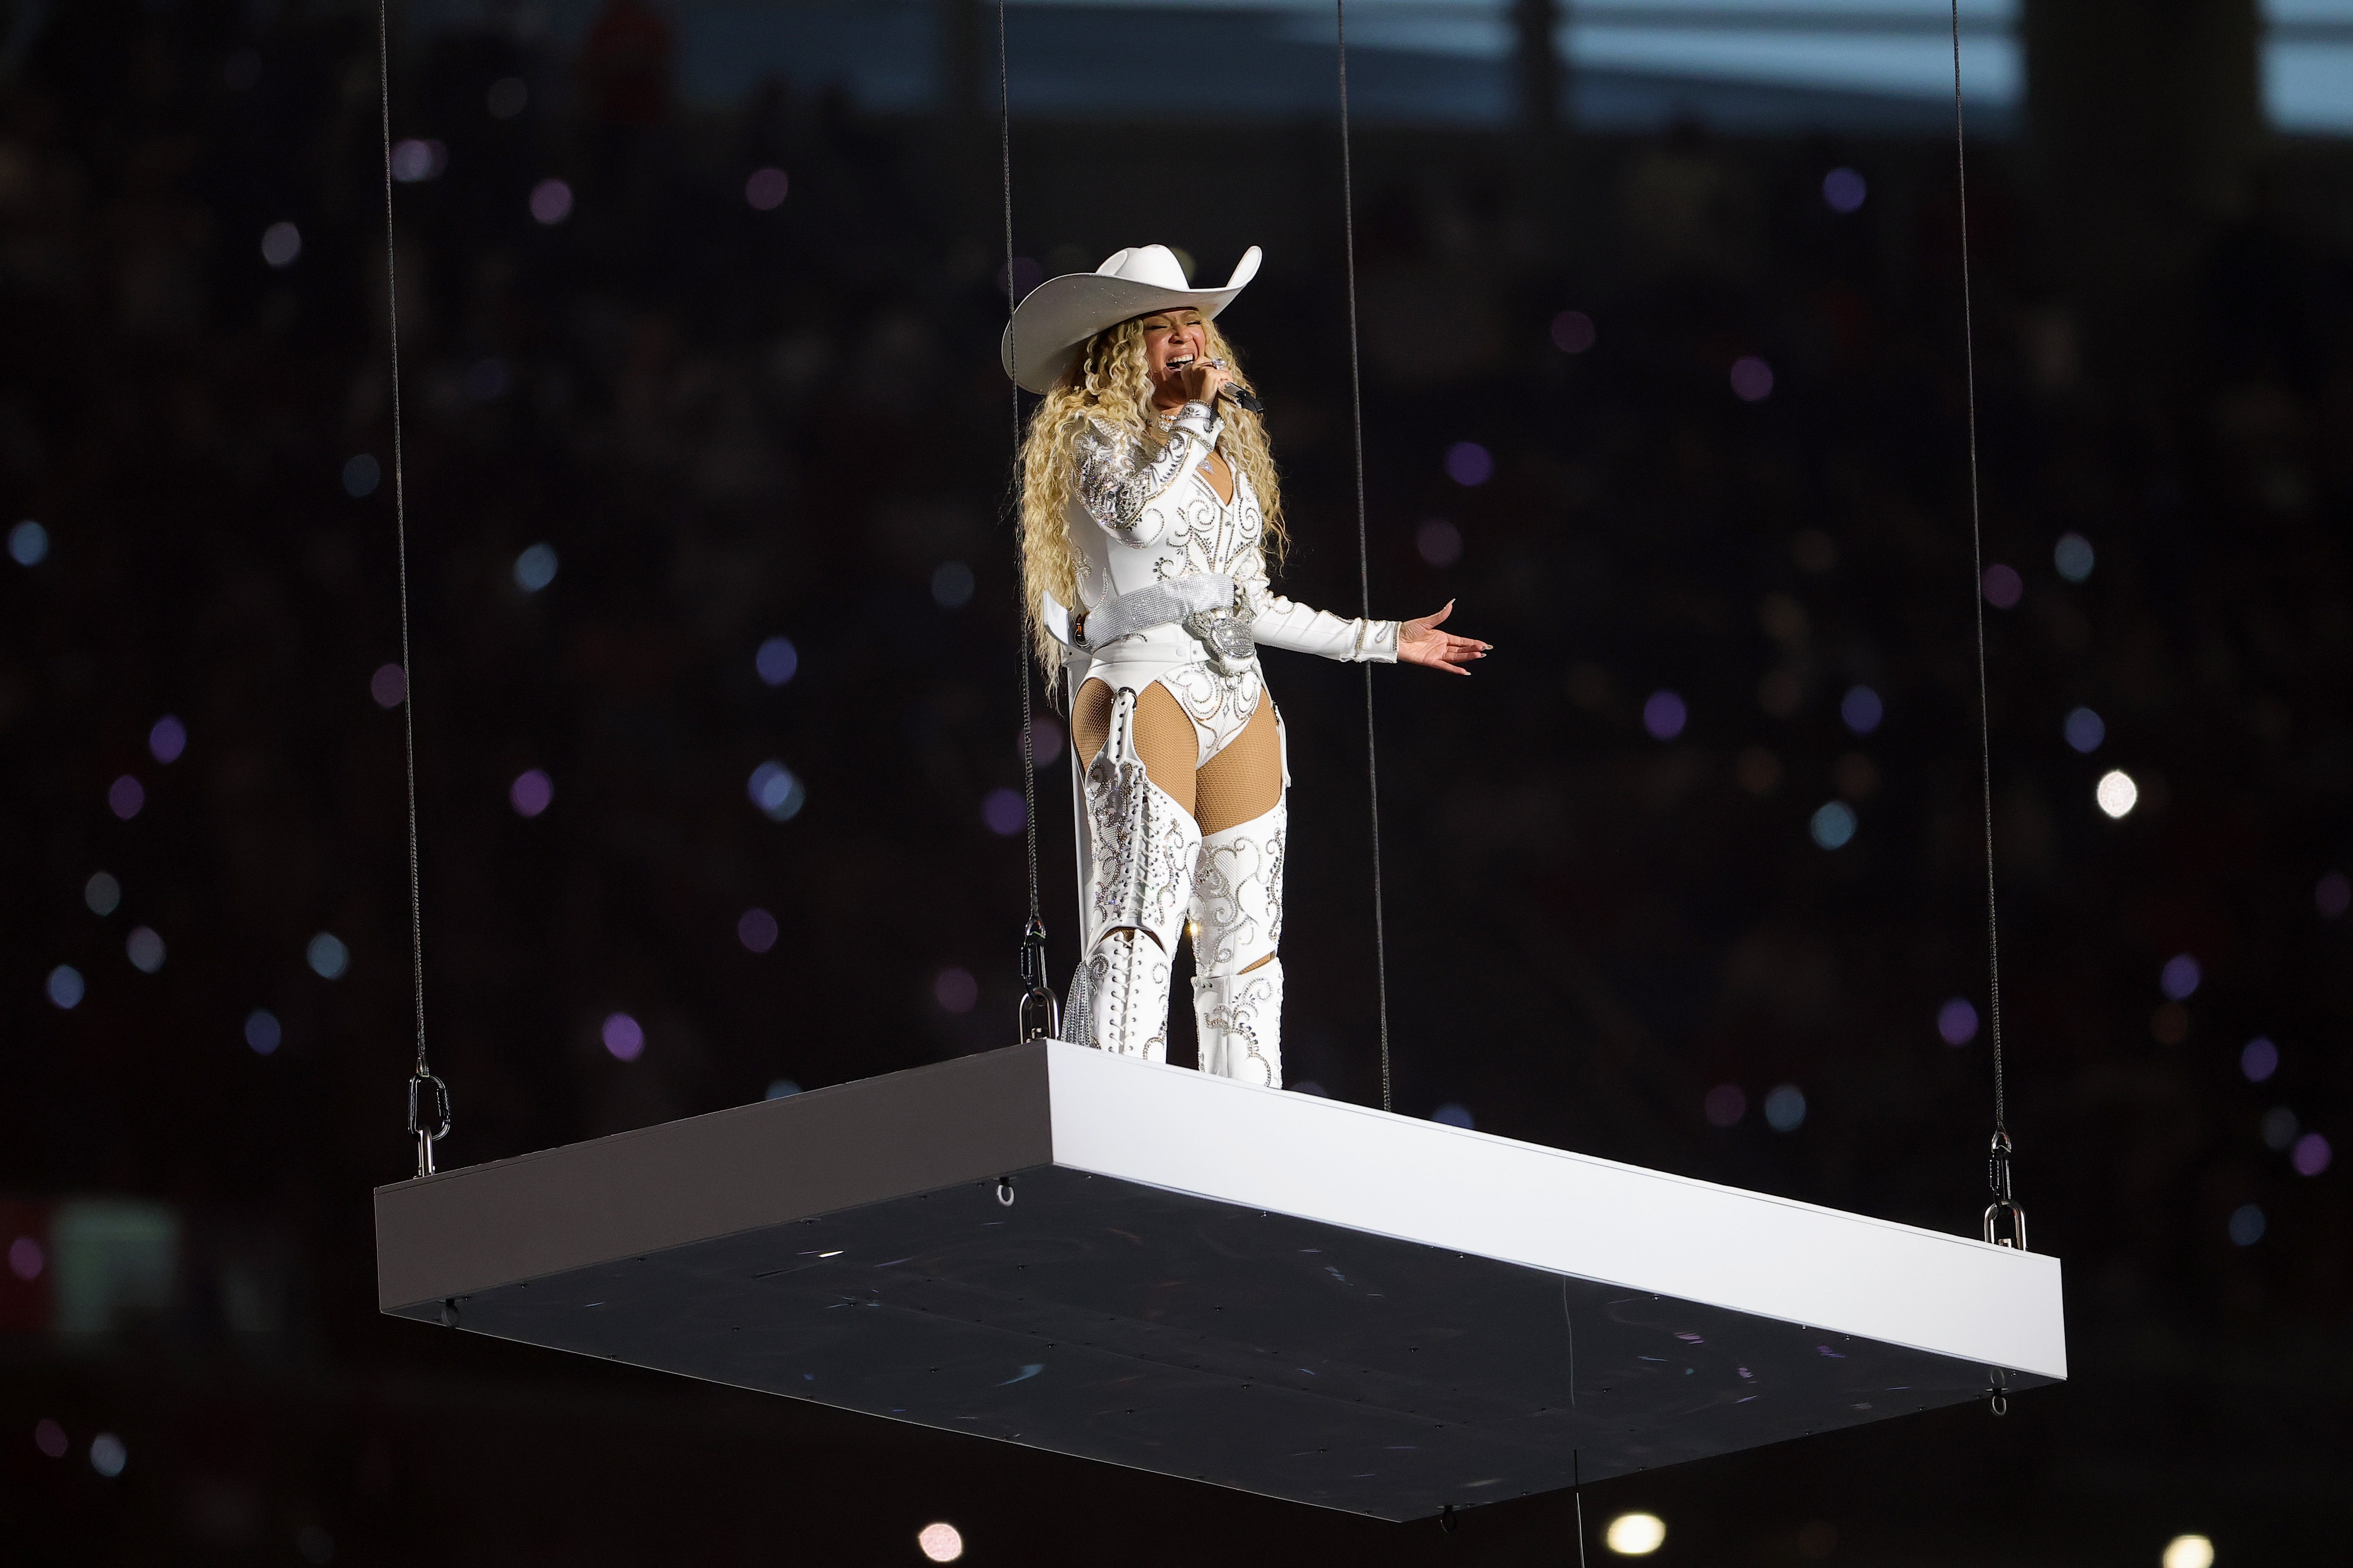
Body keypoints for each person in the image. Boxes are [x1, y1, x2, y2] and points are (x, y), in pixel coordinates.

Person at [1006, 244, 1486, 1087]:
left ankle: (1241, 1135)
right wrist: (1193, 419)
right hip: (1140, 684)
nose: (1189, 337)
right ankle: (1123, 1120)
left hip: (1239, 697)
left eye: (1196, 321)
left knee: (1246, 946)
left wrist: (1385, 639)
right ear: (1122, 346)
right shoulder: (1091, 435)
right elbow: (1138, 523)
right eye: (1164, 327)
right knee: (1139, 925)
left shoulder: (1227, 458)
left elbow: (1252, 603)